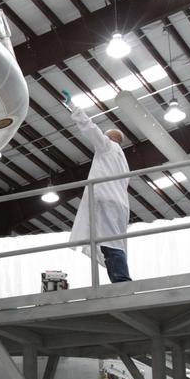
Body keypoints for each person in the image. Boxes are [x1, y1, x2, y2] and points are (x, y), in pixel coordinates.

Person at [60, 90, 131, 283]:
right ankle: (121, 278)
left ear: (110, 137)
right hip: (121, 206)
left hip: (106, 201)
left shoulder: (107, 146)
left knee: (109, 244)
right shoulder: (123, 161)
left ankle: (121, 281)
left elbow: (89, 128)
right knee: (115, 243)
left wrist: (72, 106)